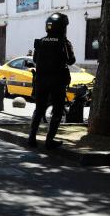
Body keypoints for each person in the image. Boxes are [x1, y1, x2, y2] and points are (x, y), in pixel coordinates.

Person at [28, 13, 75, 149]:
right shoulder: (64, 43)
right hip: (57, 82)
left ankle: (31, 138)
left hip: (41, 81)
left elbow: (35, 60)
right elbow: (71, 60)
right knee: (57, 111)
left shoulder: (40, 41)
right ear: (62, 27)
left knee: (39, 109)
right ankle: (49, 140)